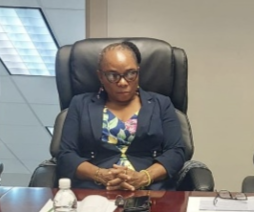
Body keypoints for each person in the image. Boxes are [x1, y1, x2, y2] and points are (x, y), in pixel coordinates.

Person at [55, 41, 186, 190]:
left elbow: (176, 152)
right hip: (95, 191)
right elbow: (66, 155)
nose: (123, 82)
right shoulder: (80, 104)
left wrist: (144, 177)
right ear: (100, 76)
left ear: (138, 72)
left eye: (130, 74)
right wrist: (101, 175)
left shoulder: (161, 104)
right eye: (113, 75)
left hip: (151, 191)